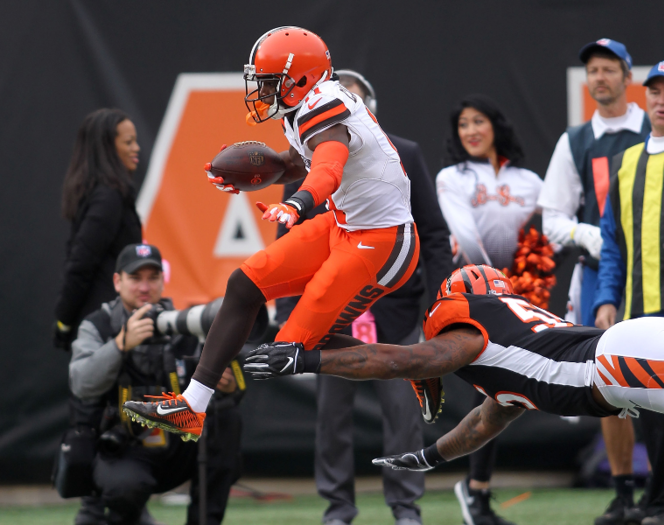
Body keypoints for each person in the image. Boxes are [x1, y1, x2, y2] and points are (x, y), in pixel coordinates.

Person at [122, 27, 419, 447]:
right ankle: (192, 405)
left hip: (382, 240)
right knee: (245, 285)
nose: (260, 90)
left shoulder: (326, 106)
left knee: (290, 349)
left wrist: (296, 205)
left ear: (298, 78)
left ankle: (413, 365)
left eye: (267, 81)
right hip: (344, 225)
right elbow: (299, 162)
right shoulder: (307, 105)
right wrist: (254, 175)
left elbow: (328, 168)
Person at [243, 264, 664, 494]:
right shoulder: (511, 358)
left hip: (620, 364)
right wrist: (427, 456)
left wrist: (306, 361)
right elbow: (480, 426)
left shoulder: (470, 329)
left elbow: (401, 362)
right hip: (633, 353)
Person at [274, 69, 453, 525]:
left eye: (348, 103)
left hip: (394, 305)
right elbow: (288, 242)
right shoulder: (305, 161)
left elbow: (432, 233)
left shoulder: (403, 154)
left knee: (402, 414)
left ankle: (405, 505)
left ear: (367, 111)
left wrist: (440, 302)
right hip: (332, 308)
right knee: (331, 418)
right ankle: (338, 506)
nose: (336, 114)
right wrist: (287, 310)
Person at [537, 38, 651, 525]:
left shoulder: (656, 129)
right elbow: (552, 218)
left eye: (608, 69)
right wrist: (595, 237)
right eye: (593, 70)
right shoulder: (575, 140)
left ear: (628, 76)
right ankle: (624, 490)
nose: (600, 77)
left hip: (657, 278)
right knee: (613, 387)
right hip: (600, 278)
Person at [593, 59, 664, 525]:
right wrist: (606, 299)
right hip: (645, 313)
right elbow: (612, 242)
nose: (662, 100)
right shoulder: (625, 162)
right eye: (654, 92)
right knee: (660, 418)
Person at [70, 244, 243, 525]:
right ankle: (125, 514)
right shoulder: (99, 325)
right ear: (118, 281)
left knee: (226, 420)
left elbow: (230, 390)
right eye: (135, 278)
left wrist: (227, 387)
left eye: (153, 277)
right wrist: (120, 344)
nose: (144, 286)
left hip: (176, 440)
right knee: (125, 489)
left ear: (163, 281)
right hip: (123, 445)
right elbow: (81, 383)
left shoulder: (179, 324)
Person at [435, 95, 541, 525]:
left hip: (521, 295)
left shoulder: (529, 180)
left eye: (479, 121)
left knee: (506, 387)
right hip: (474, 294)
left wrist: (525, 284)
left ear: (496, 125)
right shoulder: (451, 177)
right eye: (463, 124)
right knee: (491, 384)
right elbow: (464, 234)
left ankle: (477, 491)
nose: (471, 131)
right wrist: (498, 285)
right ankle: (475, 491)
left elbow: (543, 235)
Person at [54, 108, 144, 524]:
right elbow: (80, 264)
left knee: (121, 439)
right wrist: (65, 323)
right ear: (107, 149)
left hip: (112, 329)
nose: (136, 148)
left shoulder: (107, 192)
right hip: (104, 331)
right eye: (128, 141)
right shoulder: (108, 196)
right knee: (99, 434)